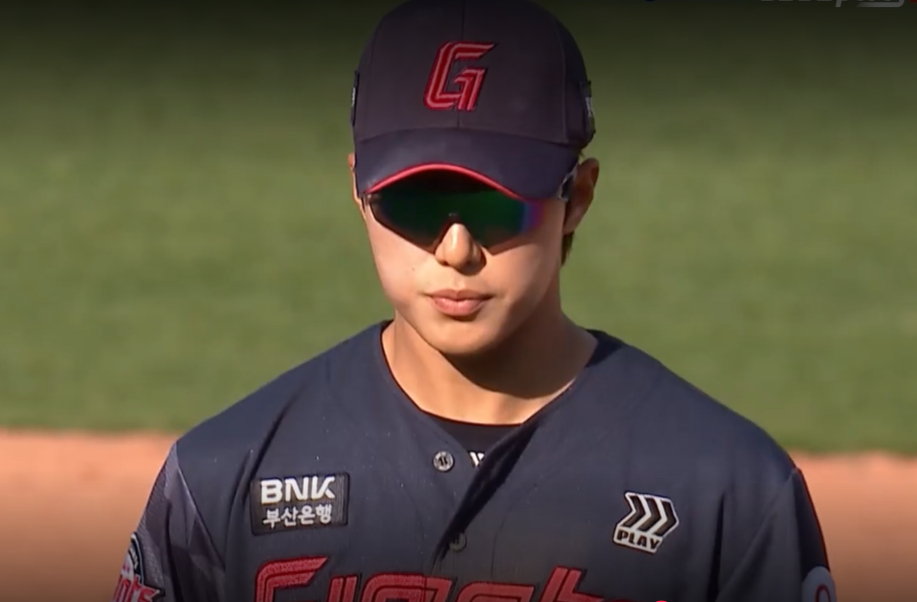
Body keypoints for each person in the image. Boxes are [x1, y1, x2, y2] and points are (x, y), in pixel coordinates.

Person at [111, 1, 836, 602]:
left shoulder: (726, 492)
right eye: (416, 203)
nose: (455, 250)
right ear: (358, 190)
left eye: (495, 206)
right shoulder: (221, 477)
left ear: (575, 197)